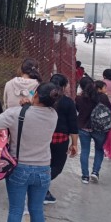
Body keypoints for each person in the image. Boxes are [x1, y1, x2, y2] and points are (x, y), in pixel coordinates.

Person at [0, 82, 60, 222]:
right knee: (37, 209)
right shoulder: (53, 115)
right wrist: (28, 106)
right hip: (43, 169)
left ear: (36, 96)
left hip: (19, 168)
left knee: (16, 210)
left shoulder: (16, 113)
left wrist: (22, 107)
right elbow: (37, 115)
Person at [44, 74, 78, 204]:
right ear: (63, 86)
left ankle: (43, 190)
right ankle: (40, 186)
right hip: (60, 139)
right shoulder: (68, 102)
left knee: (44, 164)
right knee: (57, 167)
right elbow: (73, 125)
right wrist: (74, 144)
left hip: (43, 136)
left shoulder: (43, 99)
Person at [75, 77, 111, 183]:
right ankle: (95, 172)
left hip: (83, 127)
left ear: (81, 87)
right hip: (99, 129)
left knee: (85, 151)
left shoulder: (79, 98)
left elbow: (78, 110)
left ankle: (85, 176)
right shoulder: (103, 97)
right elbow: (109, 111)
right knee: (99, 150)